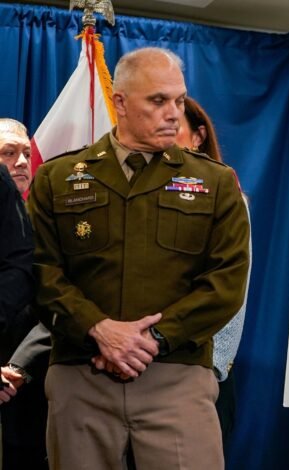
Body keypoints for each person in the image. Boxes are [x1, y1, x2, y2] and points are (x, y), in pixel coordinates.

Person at [27, 47, 250, 470]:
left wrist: (153, 339)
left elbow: (227, 282)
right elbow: (40, 271)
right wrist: (99, 329)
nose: (173, 113)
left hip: (177, 377)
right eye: (158, 100)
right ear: (121, 103)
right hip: (82, 374)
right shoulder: (57, 178)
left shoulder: (216, 183)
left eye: (179, 100)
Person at [176, 95, 251, 456]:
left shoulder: (224, 193)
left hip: (200, 371)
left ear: (198, 136)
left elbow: (230, 290)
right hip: (147, 371)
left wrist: (214, 367)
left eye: (174, 126)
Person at [0, 118, 36, 469]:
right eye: (8, 154)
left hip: (30, 379)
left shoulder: (53, 220)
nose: (22, 162)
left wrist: (19, 366)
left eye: (26, 153)